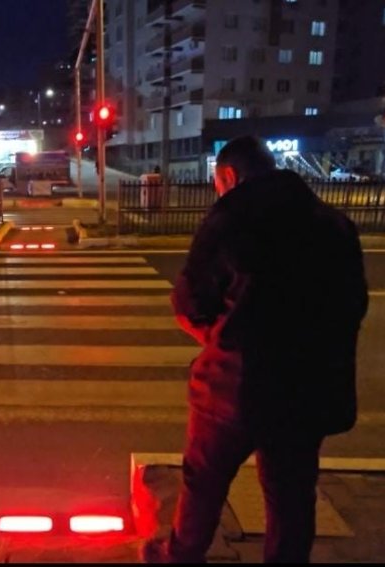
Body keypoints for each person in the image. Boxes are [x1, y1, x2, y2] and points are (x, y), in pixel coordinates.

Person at [143, 136, 369, 564]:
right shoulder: (333, 224)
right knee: (291, 496)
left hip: (235, 387)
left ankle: (181, 556)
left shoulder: (230, 220)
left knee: (204, 481)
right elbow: (354, 304)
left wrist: (226, 337)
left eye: (217, 183)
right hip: (308, 389)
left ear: (229, 176)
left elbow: (190, 303)